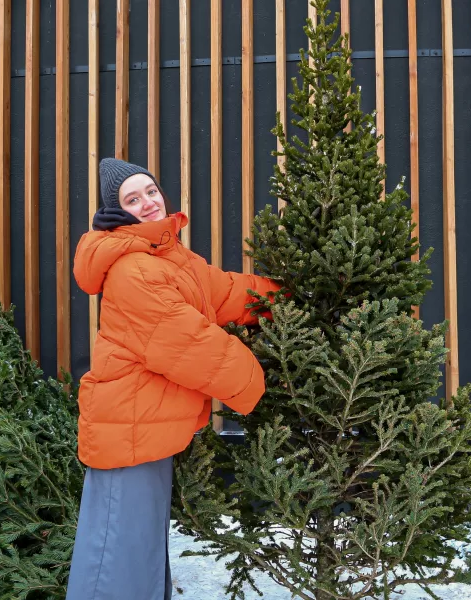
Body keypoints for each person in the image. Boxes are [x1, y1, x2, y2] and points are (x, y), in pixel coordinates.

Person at [66, 158, 280, 600]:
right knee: (117, 553)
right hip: (127, 429)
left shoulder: (168, 256)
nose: (147, 202)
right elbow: (191, 344)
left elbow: (226, 291)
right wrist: (263, 386)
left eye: (150, 191)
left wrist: (290, 296)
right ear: (118, 213)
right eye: (132, 199)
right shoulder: (133, 269)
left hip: (146, 427)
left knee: (138, 546)